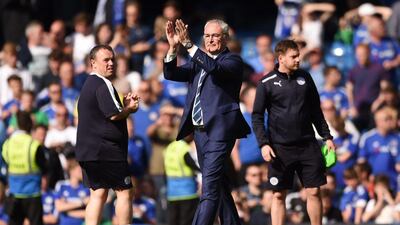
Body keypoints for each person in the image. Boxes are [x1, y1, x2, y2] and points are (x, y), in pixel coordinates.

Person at [163, 19, 250, 225]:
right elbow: (171, 73)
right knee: (218, 184)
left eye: (215, 36)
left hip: (220, 132)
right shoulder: (198, 61)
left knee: (209, 188)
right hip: (200, 133)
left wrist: (189, 46)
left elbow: (215, 70)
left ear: (226, 38)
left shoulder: (233, 61)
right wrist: (173, 48)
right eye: (207, 36)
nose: (210, 40)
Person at [252, 39, 335, 225]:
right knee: (278, 195)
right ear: (280, 58)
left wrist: (327, 136)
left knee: (314, 191)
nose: (298, 59)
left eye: (298, 55)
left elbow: (316, 110)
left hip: (308, 145)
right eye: (294, 56)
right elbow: (257, 116)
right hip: (280, 149)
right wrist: (263, 144)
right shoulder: (266, 83)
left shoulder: (305, 77)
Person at [75, 45, 140, 225]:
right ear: (93, 63)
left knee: (98, 193)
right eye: (106, 60)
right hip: (106, 151)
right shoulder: (102, 83)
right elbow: (113, 115)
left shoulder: (89, 84)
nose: (111, 63)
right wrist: (130, 108)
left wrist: (123, 106)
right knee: (125, 192)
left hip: (89, 151)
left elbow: (107, 112)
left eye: (112, 59)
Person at [2, 111, 48, 225]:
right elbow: (45, 167)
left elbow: (6, 161)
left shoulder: (7, 144)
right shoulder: (34, 145)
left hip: (14, 194)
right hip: (32, 195)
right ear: (30, 124)